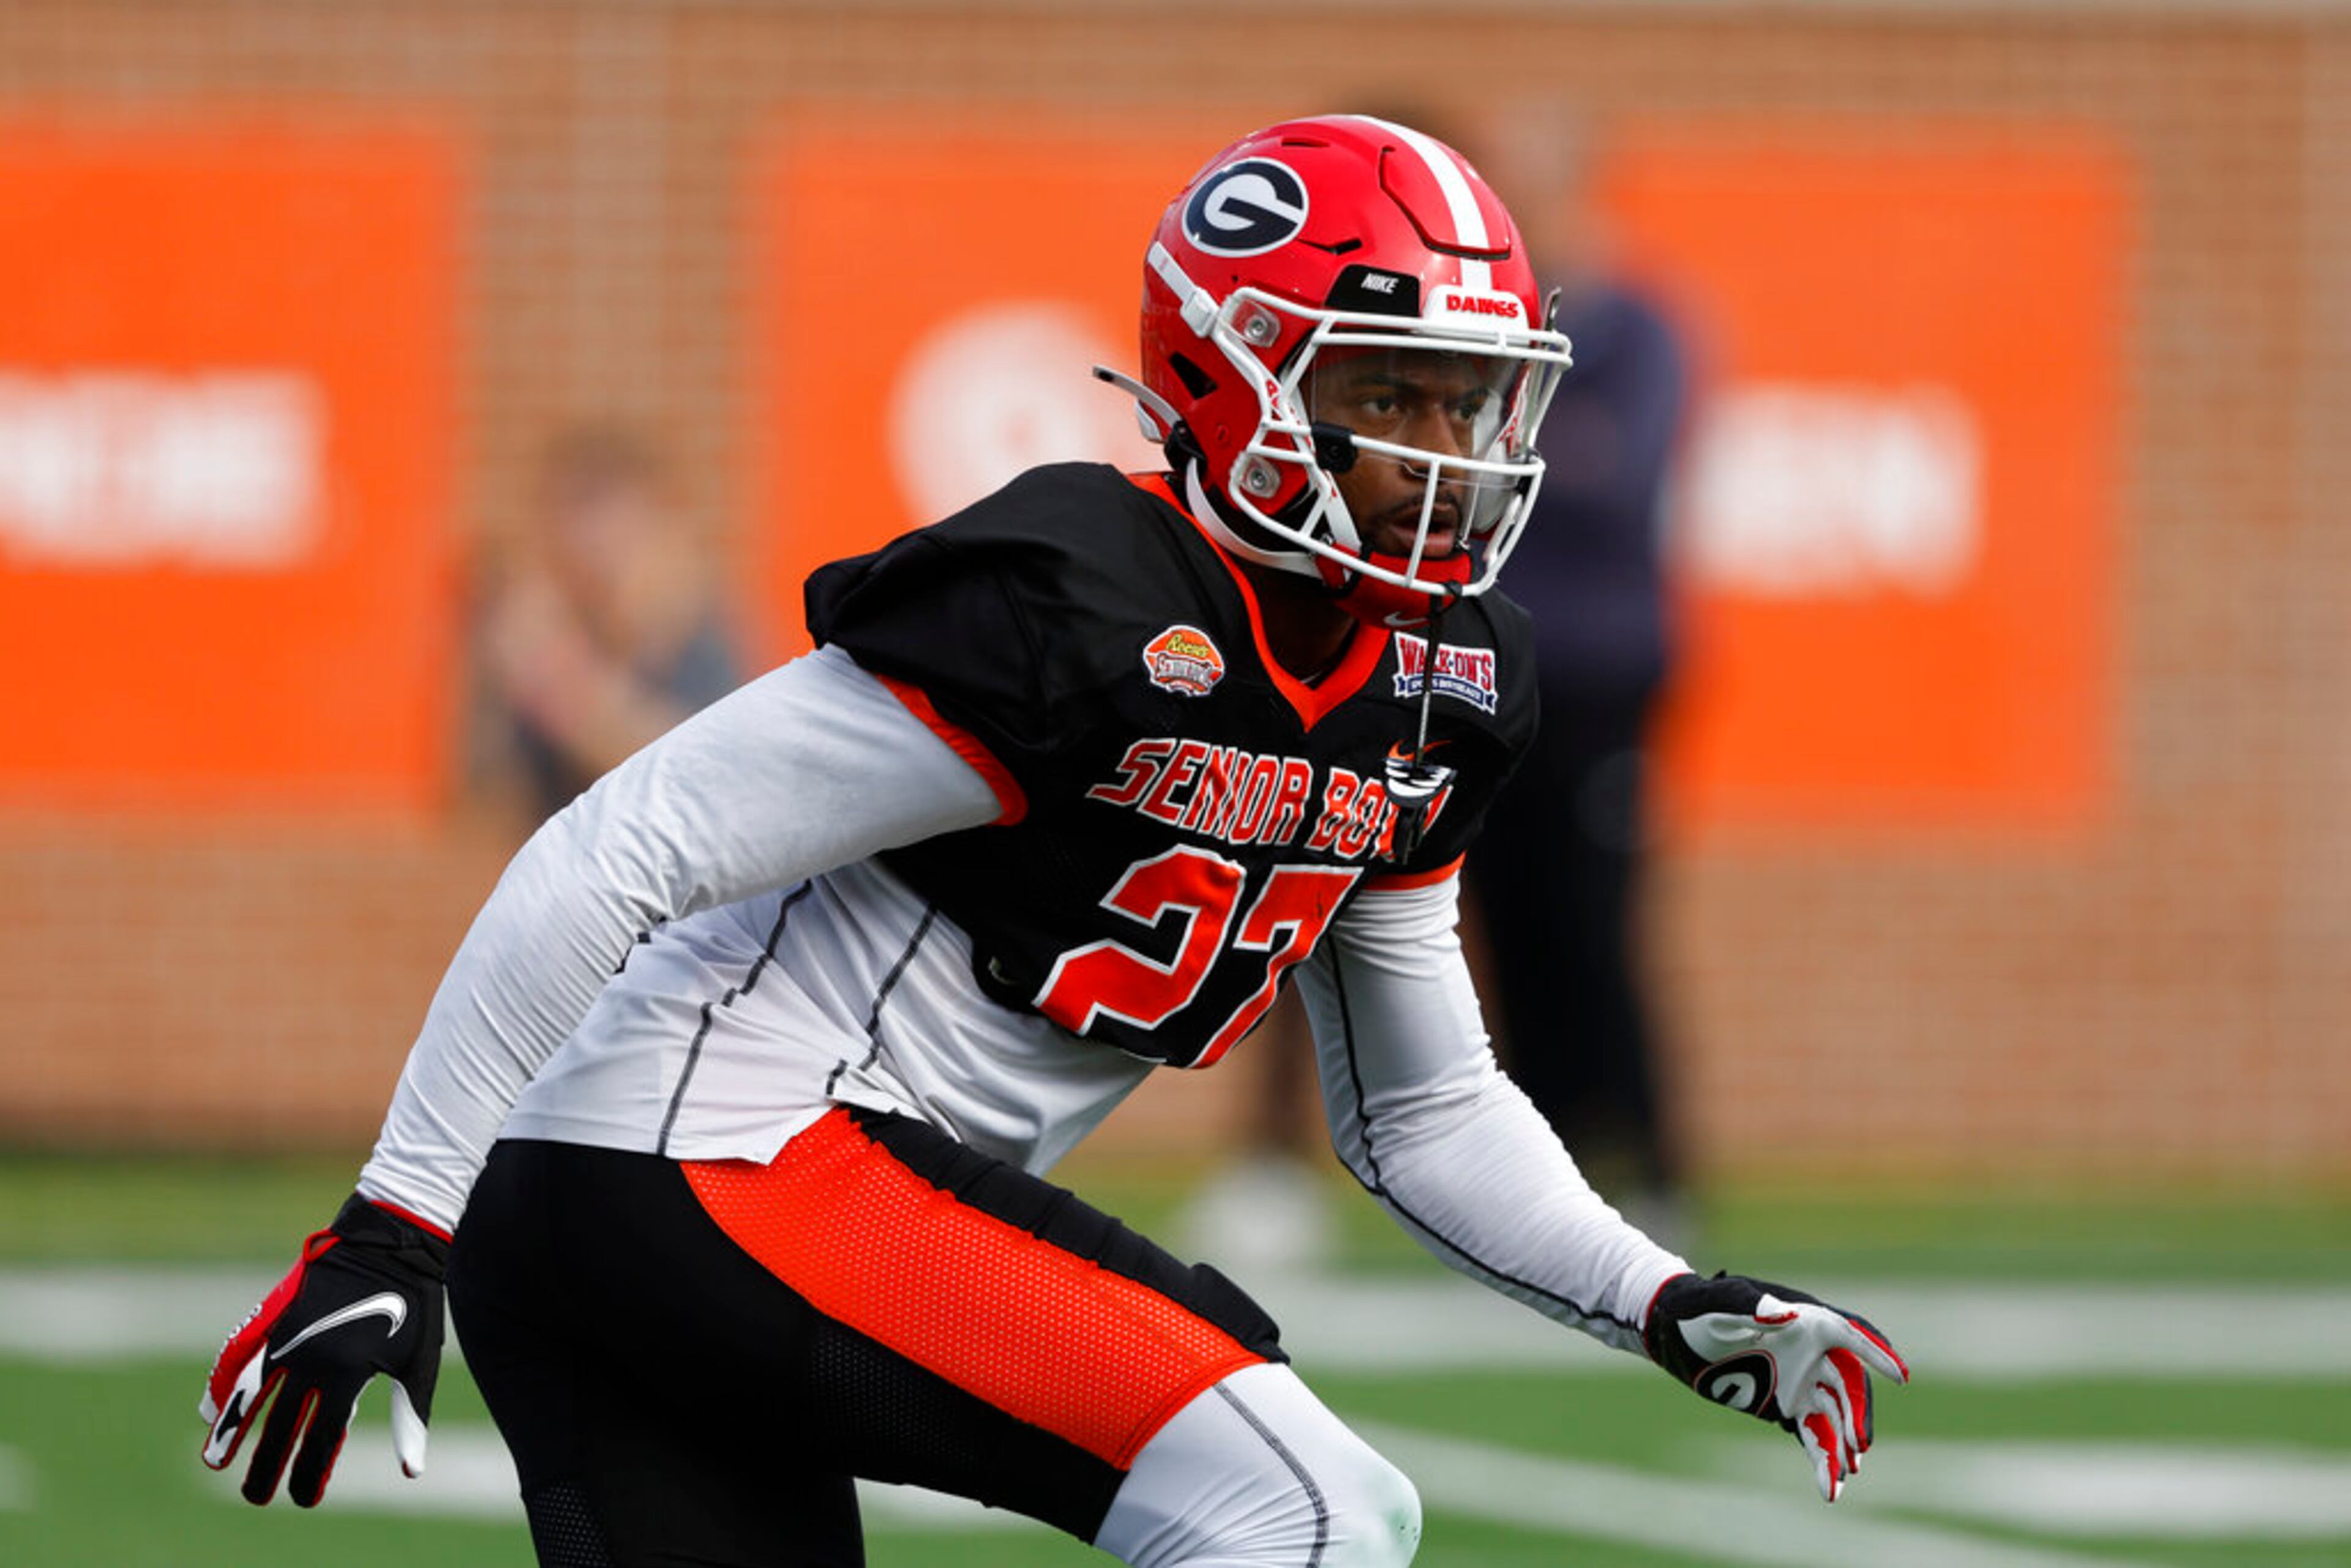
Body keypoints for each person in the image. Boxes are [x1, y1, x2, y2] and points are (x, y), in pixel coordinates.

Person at [197, 115, 1905, 1567]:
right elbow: (622, 845)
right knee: (1304, 1506)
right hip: (722, 1159)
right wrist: (392, 1219)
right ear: (1233, 376)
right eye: (1393, 394)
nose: (1440, 455)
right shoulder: (1082, 595)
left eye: (1471, 401)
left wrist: (1654, 1297)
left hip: (635, 1209)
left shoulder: (1438, 684)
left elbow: (1424, 1111)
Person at [1460, 110, 1693, 1236]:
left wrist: (1513, 450)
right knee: (1503, 926)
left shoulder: (1639, 329)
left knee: (1597, 922)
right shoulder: (1487, 329)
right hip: (1494, 669)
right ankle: (1548, 1176)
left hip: (1602, 680)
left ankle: (1656, 1162)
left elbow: (1617, 473)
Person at [473, 425, 743, 826]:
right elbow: (485, 789)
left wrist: (555, 673)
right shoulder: (567, 630)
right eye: (565, 518)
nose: (581, 543)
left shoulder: (700, 642)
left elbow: (694, 779)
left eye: (598, 516)